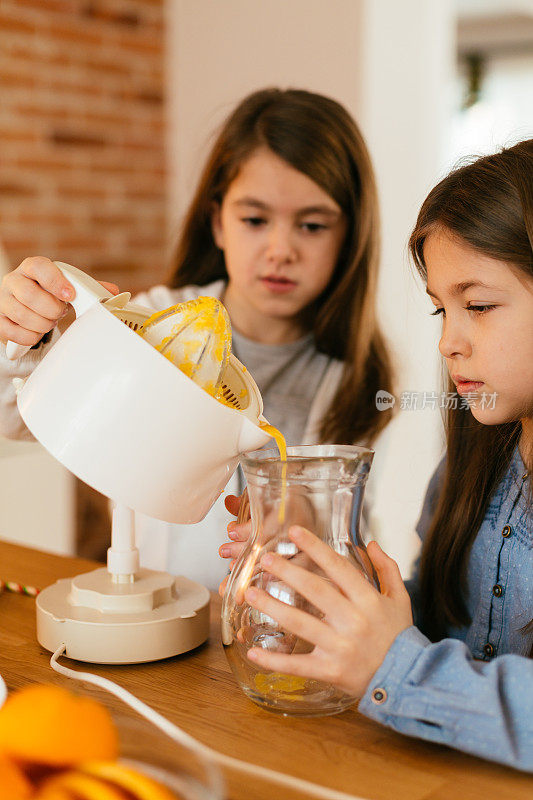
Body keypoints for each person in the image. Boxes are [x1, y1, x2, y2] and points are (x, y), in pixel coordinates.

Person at [0, 88, 393, 589]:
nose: (280, 250)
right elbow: (13, 418)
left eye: (312, 225)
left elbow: (354, 530)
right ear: (218, 223)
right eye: (254, 220)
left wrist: (315, 526)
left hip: (277, 632)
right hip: (156, 604)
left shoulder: (360, 377)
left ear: (350, 235)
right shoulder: (155, 325)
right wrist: (24, 333)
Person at [223, 140, 533, 770]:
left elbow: (412, 661)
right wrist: (333, 595)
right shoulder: (477, 454)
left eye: (477, 306)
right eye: (441, 309)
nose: (448, 341)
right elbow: (449, 616)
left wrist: (398, 669)